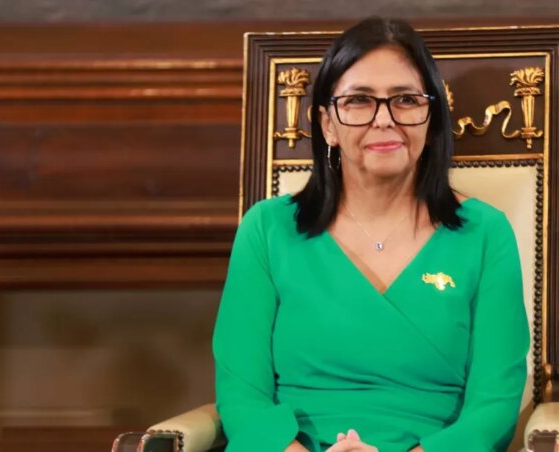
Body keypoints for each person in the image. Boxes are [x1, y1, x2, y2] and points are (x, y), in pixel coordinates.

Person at [213, 17, 528, 452]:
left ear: (432, 120)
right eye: (359, 101)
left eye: (406, 100)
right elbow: (242, 395)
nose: (384, 120)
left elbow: (493, 406)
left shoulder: (487, 233)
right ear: (327, 124)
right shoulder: (266, 230)